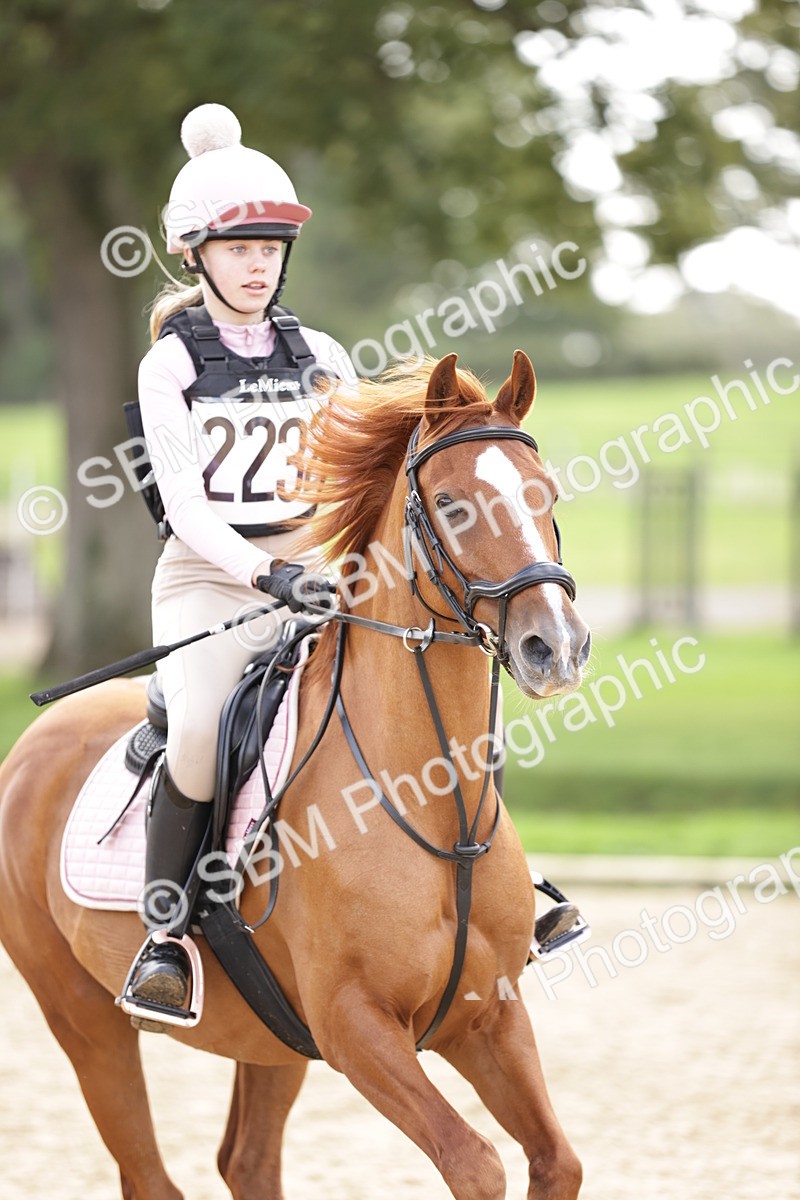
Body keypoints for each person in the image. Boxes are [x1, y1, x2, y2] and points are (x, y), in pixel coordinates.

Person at [126, 103, 355, 1013]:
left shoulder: (324, 353)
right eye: (238, 249)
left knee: (430, 675)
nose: (258, 264)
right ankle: (165, 936)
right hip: (208, 578)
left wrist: (330, 558)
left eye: (269, 248)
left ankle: (503, 889)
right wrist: (269, 576)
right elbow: (184, 506)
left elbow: (352, 475)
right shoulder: (170, 365)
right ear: (195, 254)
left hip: (314, 564)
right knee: (197, 733)